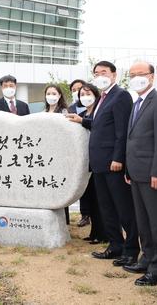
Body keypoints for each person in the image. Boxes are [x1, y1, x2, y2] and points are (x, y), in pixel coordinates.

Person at [65, 61, 139, 268]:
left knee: (124, 209)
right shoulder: (102, 99)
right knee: (107, 208)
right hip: (98, 164)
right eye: (96, 73)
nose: (100, 76)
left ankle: (131, 250)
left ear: (114, 75)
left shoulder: (121, 96)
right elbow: (100, 125)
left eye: (104, 72)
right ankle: (115, 245)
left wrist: (119, 158)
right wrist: (82, 121)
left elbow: (122, 131)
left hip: (113, 163)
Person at [122, 62, 157, 286]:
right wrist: (127, 168)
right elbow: (131, 138)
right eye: (132, 75)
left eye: (141, 74)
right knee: (143, 221)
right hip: (136, 171)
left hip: (152, 173)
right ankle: (148, 258)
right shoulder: (137, 102)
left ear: (151, 77)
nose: (136, 78)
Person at [74, 84, 108, 244]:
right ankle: (94, 232)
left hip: (99, 161)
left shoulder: (98, 112)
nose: (85, 96)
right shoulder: (81, 113)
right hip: (86, 162)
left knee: (101, 200)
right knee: (91, 200)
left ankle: (103, 234)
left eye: (88, 93)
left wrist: (82, 121)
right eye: (82, 94)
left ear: (96, 95)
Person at [69, 79, 89, 227]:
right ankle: (84, 214)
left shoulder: (92, 107)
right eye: (74, 89)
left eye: (79, 89)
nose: (77, 92)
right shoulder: (70, 108)